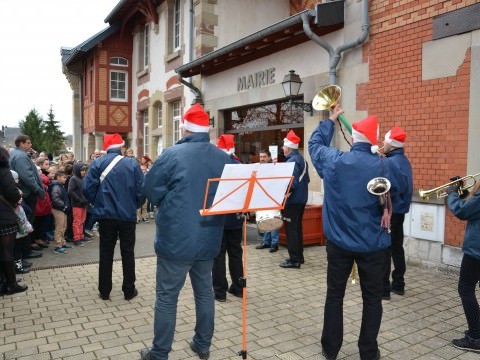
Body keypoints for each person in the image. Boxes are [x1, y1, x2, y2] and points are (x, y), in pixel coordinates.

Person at [141, 103, 232, 360]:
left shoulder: (172, 155)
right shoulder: (223, 158)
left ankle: (160, 353)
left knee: (167, 297)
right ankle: (202, 345)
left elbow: (151, 191)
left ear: (184, 128)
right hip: (209, 238)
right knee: (205, 293)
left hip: (176, 241)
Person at [308, 106, 395, 360]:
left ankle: (331, 348)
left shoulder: (334, 160)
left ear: (353, 138)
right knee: (372, 299)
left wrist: (330, 122)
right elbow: (395, 197)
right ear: (373, 140)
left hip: (339, 243)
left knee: (335, 295)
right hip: (373, 244)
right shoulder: (383, 165)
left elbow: (313, 145)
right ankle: (368, 351)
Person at [83, 133, 145, 301]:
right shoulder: (132, 164)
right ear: (121, 147)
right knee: (128, 252)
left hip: (105, 215)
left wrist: (97, 203)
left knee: (105, 252)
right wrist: (135, 205)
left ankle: (104, 290)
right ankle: (129, 290)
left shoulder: (97, 163)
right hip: (127, 215)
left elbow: (87, 189)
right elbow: (141, 190)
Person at [447, 179, 480, 353]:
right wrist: (463, 193)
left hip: (476, 251)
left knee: (465, 289)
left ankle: (475, 337)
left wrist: (451, 194)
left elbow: (462, 211)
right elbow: (473, 206)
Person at [382, 127, 413, 299]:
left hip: (391, 211)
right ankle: (399, 284)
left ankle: (384, 289)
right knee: (396, 247)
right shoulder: (402, 160)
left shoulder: (390, 162)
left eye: (385, 141)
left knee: (386, 249)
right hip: (400, 210)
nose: (382, 144)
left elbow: (391, 186)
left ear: (391, 145)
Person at [212, 134, 244, 302]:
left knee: (218, 255)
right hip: (236, 218)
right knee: (236, 253)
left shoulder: (216, 166)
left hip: (219, 218)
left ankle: (220, 292)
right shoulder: (239, 165)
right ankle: (239, 288)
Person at [9, 135, 45, 260]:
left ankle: (26, 250)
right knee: (26, 222)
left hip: (25, 193)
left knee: (27, 222)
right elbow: (28, 176)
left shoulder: (19, 155)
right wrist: (38, 189)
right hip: (27, 194)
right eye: (28, 143)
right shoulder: (20, 156)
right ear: (21, 144)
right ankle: (25, 252)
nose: (30, 145)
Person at [279, 130, 309, 269]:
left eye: (284, 146)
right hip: (301, 199)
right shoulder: (301, 159)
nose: (282, 148)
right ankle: (299, 257)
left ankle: (294, 260)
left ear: (289, 147)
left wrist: (283, 192)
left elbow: (292, 183)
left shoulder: (292, 161)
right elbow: (306, 180)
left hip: (292, 201)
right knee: (297, 228)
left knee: (291, 230)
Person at [0, 145, 27, 295]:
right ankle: (11, 284)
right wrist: (17, 195)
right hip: (4, 216)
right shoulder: (4, 171)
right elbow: (12, 193)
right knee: (6, 251)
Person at [255, 149, 280, 253]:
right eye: (261, 157)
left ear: (269, 157)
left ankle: (274, 244)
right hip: (263, 198)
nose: (262, 159)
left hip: (273, 197)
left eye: (264, 157)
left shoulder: (274, 167)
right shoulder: (258, 168)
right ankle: (266, 242)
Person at [49, 170, 71, 255]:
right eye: (64, 177)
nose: (65, 179)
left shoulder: (60, 185)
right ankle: (58, 246)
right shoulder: (56, 186)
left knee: (64, 226)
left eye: (66, 177)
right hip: (58, 210)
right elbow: (55, 199)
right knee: (59, 227)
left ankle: (62, 243)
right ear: (58, 177)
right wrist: (64, 206)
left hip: (62, 209)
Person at [68, 162, 90, 246]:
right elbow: (71, 191)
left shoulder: (83, 178)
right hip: (77, 204)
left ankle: (81, 236)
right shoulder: (73, 179)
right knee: (77, 221)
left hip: (84, 203)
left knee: (82, 221)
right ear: (77, 170)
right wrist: (79, 199)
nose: (84, 172)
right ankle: (76, 238)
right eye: (82, 170)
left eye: (85, 170)